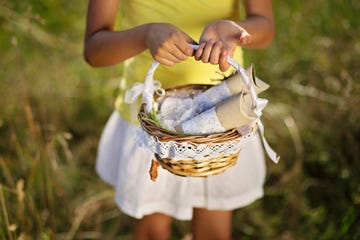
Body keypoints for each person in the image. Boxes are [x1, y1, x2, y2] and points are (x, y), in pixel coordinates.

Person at [84, 0, 274, 239]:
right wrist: (145, 35)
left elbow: (265, 27)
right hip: (152, 126)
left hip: (223, 116)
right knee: (152, 229)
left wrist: (235, 31)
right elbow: (94, 51)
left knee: (213, 230)